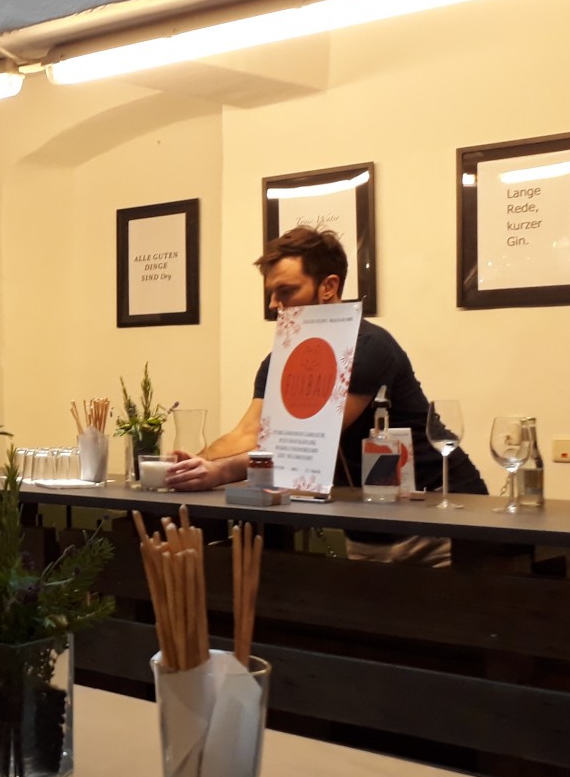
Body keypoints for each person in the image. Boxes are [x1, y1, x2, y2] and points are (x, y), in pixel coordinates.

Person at [167, 226, 486, 565]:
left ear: (328, 287)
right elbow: (250, 432)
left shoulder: (368, 347)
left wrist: (220, 472)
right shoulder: (278, 360)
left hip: (438, 522)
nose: (274, 305)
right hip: (369, 526)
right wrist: (191, 466)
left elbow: (309, 441)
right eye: (271, 294)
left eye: (286, 291)